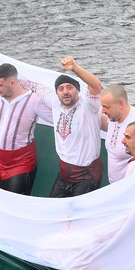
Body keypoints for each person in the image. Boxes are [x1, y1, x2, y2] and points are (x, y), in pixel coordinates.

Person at [0, 35, 48, 195]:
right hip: (0, 159)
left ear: (13, 83)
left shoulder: (34, 100)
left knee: (17, 202)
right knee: (2, 199)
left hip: (22, 161)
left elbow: (59, 116)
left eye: (0, 84)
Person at [35, 57, 104, 196]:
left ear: (78, 91)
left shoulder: (88, 106)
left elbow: (96, 86)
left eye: (69, 87)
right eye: (61, 89)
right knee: (55, 210)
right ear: (57, 93)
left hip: (87, 176)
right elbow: (37, 87)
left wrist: (75, 68)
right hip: (64, 175)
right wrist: (16, 82)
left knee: (79, 216)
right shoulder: (55, 102)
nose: (65, 91)